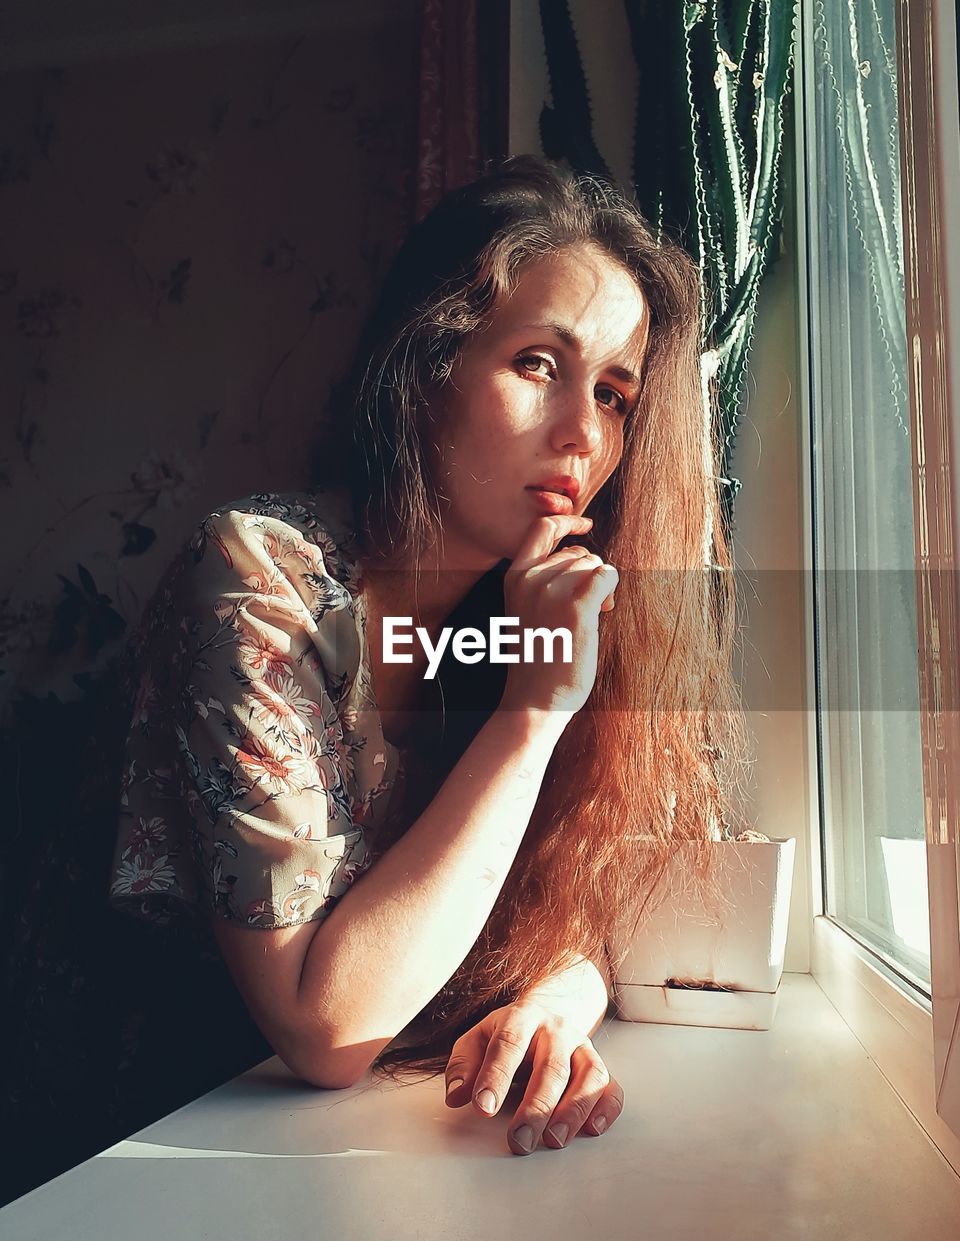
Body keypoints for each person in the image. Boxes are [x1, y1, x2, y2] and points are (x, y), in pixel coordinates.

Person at [108, 155, 748, 1157]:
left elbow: (627, 881)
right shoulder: (257, 575)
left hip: (368, 1154)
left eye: (617, 394)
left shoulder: (551, 601)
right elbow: (326, 1028)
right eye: (539, 363)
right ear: (426, 365)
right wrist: (533, 712)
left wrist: (557, 994)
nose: (583, 432)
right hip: (152, 1146)